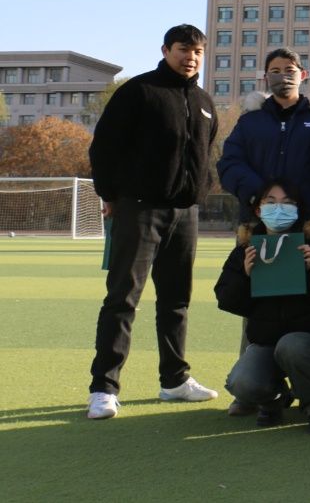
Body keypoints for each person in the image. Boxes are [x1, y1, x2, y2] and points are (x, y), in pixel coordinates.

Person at [86, 24, 220, 420]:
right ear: (165, 50)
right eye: (183, 49)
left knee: (177, 300)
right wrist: (110, 195)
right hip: (140, 209)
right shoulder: (139, 91)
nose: (190, 57)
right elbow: (104, 146)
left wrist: (201, 190)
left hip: (185, 213)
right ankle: (103, 388)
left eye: (197, 51)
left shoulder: (204, 101)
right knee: (122, 298)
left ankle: (175, 380)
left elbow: (206, 151)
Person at [214, 179, 310, 434]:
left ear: (298, 208)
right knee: (242, 383)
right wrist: (245, 276)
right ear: (258, 209)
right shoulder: (246, 249)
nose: (279, 208)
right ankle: (275, 399)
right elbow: (225, 299)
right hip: (265, 343)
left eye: (287, 202)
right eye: (271, 202)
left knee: (292, 346)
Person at [217, 47, 310, 225]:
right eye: (275, 71)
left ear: (302, 75)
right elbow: (229, 164)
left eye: (289, 70)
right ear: (266, 78)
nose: (283, 76)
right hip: (258, 221)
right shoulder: (249, 121)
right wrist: (259, 195)